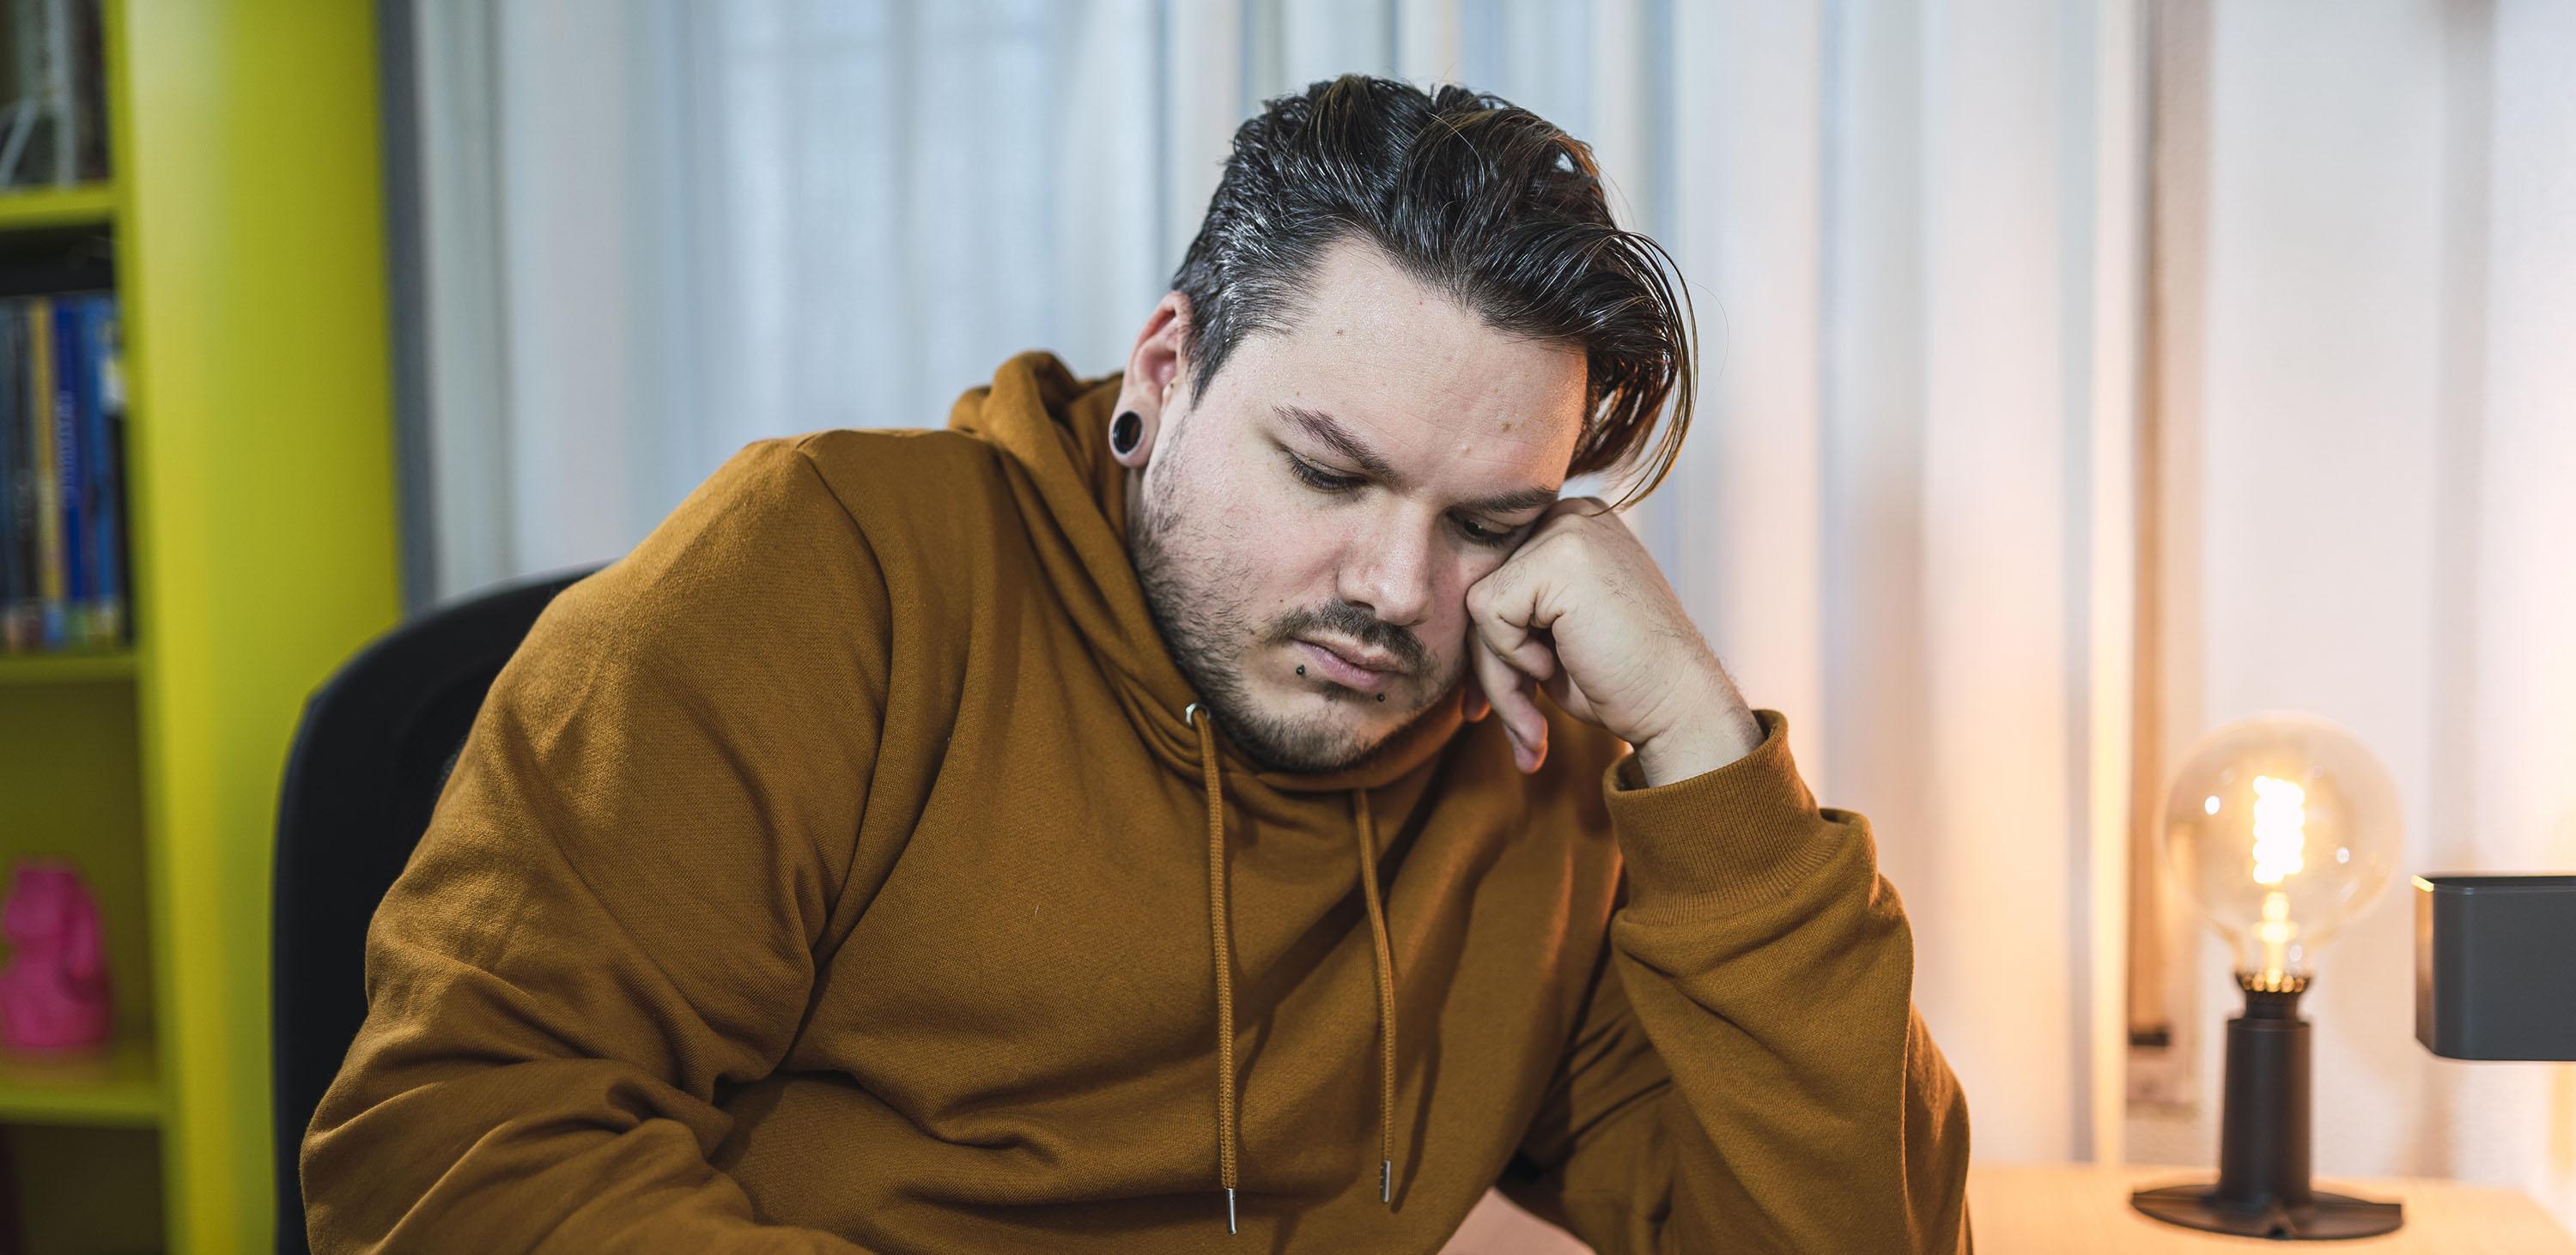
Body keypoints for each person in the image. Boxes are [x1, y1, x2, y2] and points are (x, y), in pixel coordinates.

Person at [301, 74, 1971, 1252]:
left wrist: (1696, 744)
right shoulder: (823, 570)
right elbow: (448, 1143)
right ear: (1164, 366)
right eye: (1326, 468)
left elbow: (1863, 1234)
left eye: (1486, 519)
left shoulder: (1524, 766)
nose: (1396, 589)